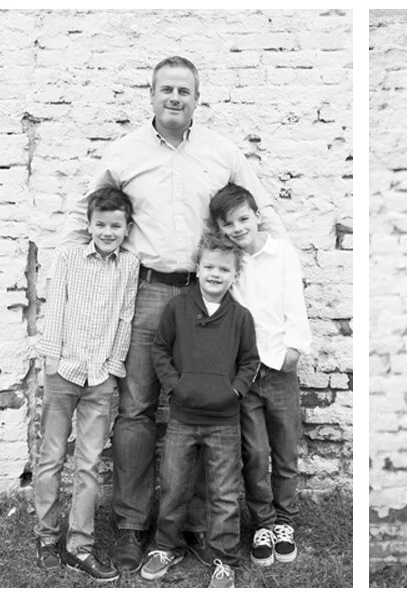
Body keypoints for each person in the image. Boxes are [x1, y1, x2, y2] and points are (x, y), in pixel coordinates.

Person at [57, 55, 286, 572]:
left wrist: (275, 266)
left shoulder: (222, 152)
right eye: (166, 90)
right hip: (148, 292)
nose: (175, 98)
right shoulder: (125, 153)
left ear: (197, 98)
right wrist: (72, 275)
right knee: (137, 409)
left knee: (210, 406)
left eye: (184, 90)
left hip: (211, 296)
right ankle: (135, 527)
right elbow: (83, 212)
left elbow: (262, 210)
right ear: (152, 95)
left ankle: (200, 526)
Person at [140, 232, 259, 588]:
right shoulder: (177, 308)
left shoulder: (241, 317)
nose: (216, 274)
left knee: (224, 492)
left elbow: (249, 361)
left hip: (224, 420)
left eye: (224, 269)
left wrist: (235, 391)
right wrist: (175, 386)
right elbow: (160, 350)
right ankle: (166, 546)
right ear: (197, 268)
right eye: (209, 266)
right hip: (182, 418)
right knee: (174, 485)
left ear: (235, 275)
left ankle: (223, 557)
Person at [34, 187, 139, 582]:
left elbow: (125, 315)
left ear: (127, 228)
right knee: (52, 457)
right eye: (101, 224)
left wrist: (114, 366)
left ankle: (81, 546)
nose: (108, 232)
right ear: (89, 225)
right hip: (63, 369)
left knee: (89, 463)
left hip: (100, 375)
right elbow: (56, 305)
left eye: (116, 225)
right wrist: (52, 358)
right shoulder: (69, 257)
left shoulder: (129, 265)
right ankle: (46, 537)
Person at [210, 182, 312, 566]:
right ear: (220, 229)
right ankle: (263, 523)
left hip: (280, 368)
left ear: (255, 215)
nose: (237, 228)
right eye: (228, 224)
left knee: (285, 451)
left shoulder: (280, 253)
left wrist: (294, 348)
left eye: (243, 219)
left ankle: (285, 521)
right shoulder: (230, 261)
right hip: (246, 373)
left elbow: (295, 299)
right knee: (255, 452)